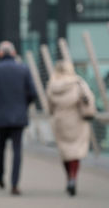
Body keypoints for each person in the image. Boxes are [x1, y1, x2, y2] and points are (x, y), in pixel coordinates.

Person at [0, 41, 37, 195]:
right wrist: (23, 105)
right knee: (17, 150)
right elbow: (33, 92)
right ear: (13, 53)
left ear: (0, 53)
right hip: (19, 116)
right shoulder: (24, 68)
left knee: (0, 148)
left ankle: (0, 176)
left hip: (1, 115)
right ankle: (15, 184)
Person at [46, 60, 94, 196]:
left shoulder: (52, 85)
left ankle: (68, 177)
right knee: (75, 151)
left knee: (65, 152)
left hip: (60, 121)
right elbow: (89, 99)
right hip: (77, 120)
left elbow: (49, 107)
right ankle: (73, 178)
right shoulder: (78, 83)